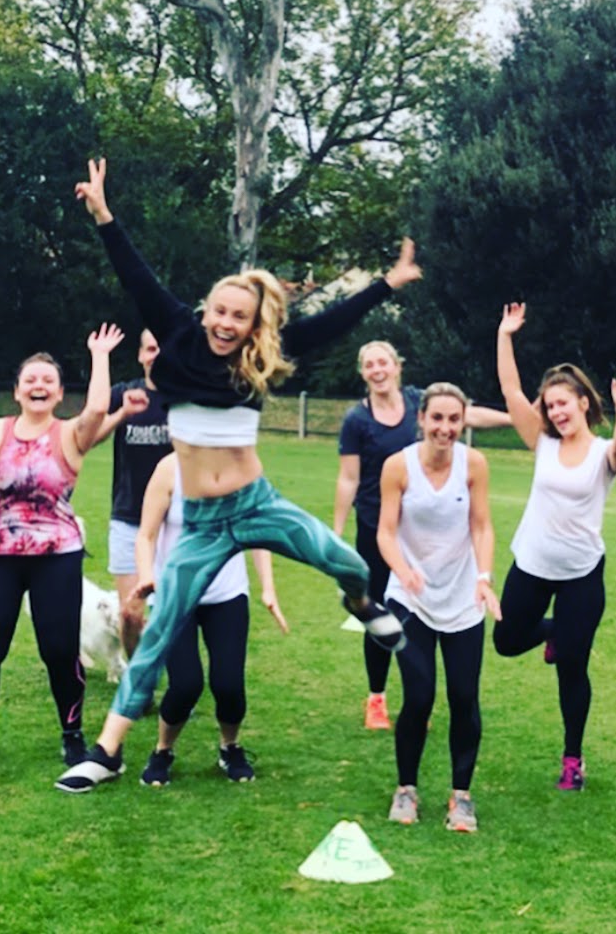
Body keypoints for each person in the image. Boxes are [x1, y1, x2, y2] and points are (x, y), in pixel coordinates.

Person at [57, 158, 418, 793]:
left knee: (349, 562)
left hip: (256, 503)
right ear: (206, 311)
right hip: (200, 521)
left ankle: (362, 604)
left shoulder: (263, 355)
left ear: (254, 325)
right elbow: (136, 276)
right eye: (220, 312)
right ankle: (106, 752)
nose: (227, 324)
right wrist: (104, 215)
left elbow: (330, 325)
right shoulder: (179, 333)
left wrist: (386, 283)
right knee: (162, 632)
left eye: (240, 318)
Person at [491, 302, 616, 791]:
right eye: (550, 404)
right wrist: (505, 335)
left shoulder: (602, 452)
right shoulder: (542, 443)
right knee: (507, 641)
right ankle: (555, 629)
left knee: (573, 668)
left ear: (583, 402)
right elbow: (510, 390)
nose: (556, 411)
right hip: (533, 565)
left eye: (564, 403)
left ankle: (572, 759)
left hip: (581, 573)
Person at [0, 324, 122, 768]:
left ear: (59, 392)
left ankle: (72, 734)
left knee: (58, 650)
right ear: (16, 390)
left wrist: (100, 355)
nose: (38, 385)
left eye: (47, 380)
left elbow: (99, 407)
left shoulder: (69, 434)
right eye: (30, 379)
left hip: (57, 555)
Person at [334, 341, 510, 731]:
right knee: (379, 614)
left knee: (415, 618)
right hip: (377, 528)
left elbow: (464, 413)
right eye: (368, 364)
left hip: (424, 525)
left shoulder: (419, 400)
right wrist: (337, 531)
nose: (377, 369)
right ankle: (376, 698)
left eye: (383, 362)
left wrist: (513, 416)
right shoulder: (356, 421)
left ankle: (417, 696)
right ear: (362, 372)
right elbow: (348, 478)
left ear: (396, 367)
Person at [377, 383, 500, 832]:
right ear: (422, 419)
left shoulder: (475, 465)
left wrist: (484, 579)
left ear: (463, 421)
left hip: (462, 598)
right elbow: (385, 532)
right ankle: (406, 788)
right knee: (420, 695)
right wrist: (403, 571)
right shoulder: (398, 467)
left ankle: (461, 796)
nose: (445, 429)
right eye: (437, 419)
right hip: (409, 599)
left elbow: (482, 527)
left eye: (454, 420)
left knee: (464, 696)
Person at [132, 453, 286, 787]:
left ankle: (230, 746)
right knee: (185, 684)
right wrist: (146, 576)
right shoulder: (168, 469)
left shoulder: (244, 468)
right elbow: (146, 535)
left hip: (227, 594)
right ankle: (162, 751)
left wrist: (269, 589)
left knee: (229, 685)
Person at [93, 328, 172, 661]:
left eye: (163, 348)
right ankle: (138, 678)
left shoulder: (188, 400)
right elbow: (88, 437)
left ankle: (172, 678)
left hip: (175, 523)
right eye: (151, 348)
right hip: (128, 519)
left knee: (173, 612)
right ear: (141, 355)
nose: (157, 354)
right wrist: (122, 414)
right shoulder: (124, 393)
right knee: (131, 615)